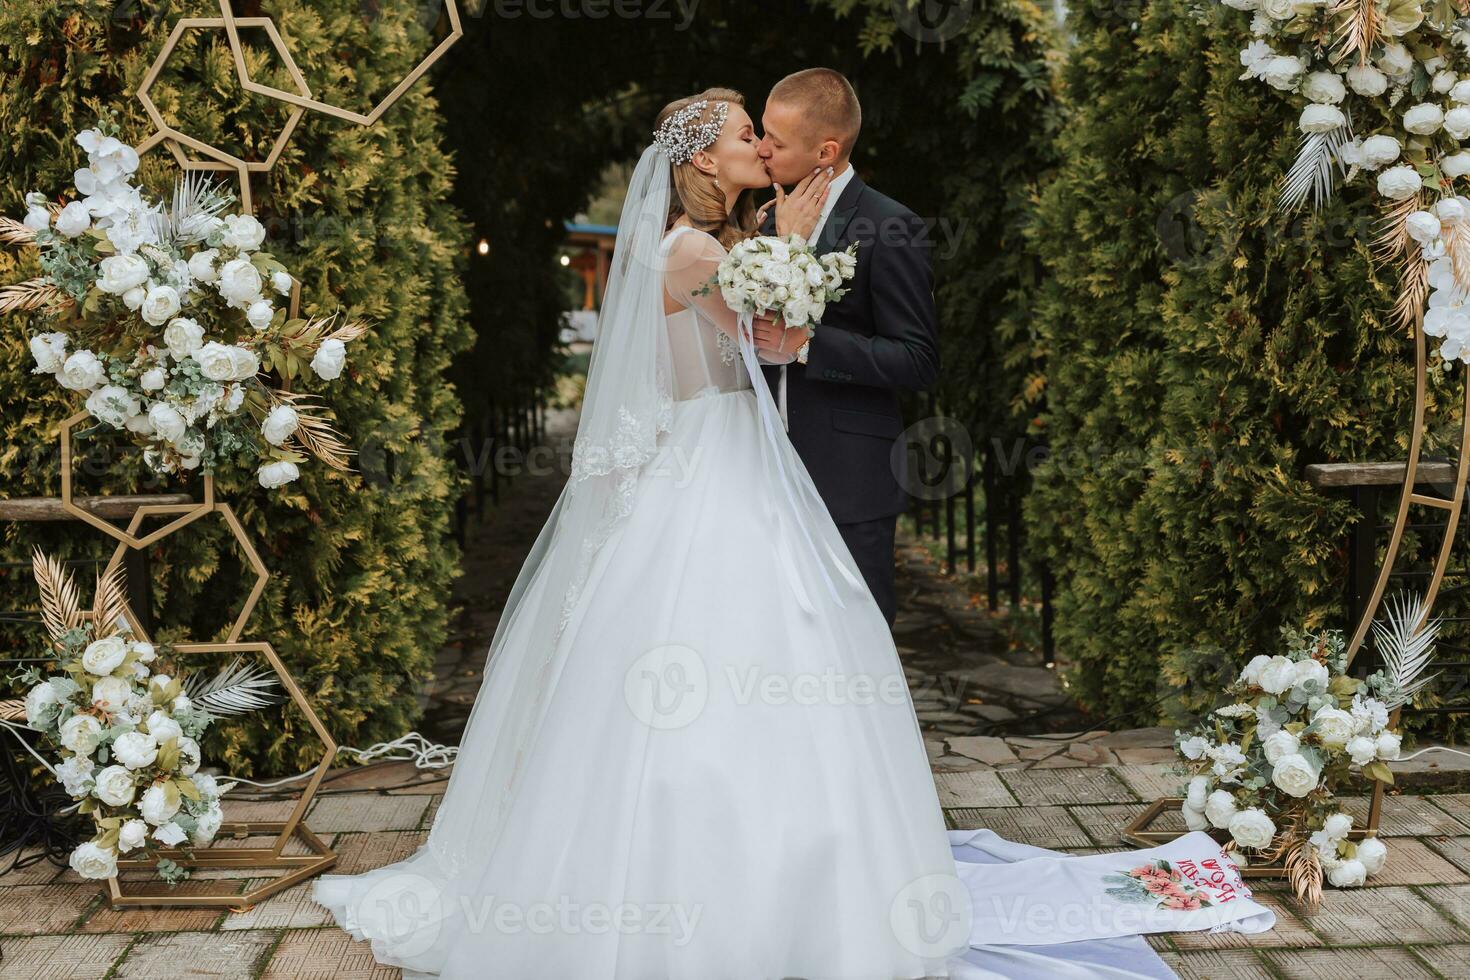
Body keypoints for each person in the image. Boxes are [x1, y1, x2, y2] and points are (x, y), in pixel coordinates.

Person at [311, 86, 1272, 980]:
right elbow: (760, 315)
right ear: (701, 160)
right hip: (712, 460)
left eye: (764, 133)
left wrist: (790, 247)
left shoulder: (733, 233)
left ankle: (807, 864)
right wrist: (796, 248)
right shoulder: (692, 250)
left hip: (750, 456)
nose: (757, 146)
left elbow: (792, 323)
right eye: (742, 134)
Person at [752, 67, 940, 627]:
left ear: (825, 151)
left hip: (849, 479)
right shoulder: (763, 223)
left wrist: (810, 343)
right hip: (757, 471)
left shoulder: (890, 226)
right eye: (761, 133)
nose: (761, 149)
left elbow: (918, 359)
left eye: (776, 140)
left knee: (858, 646)